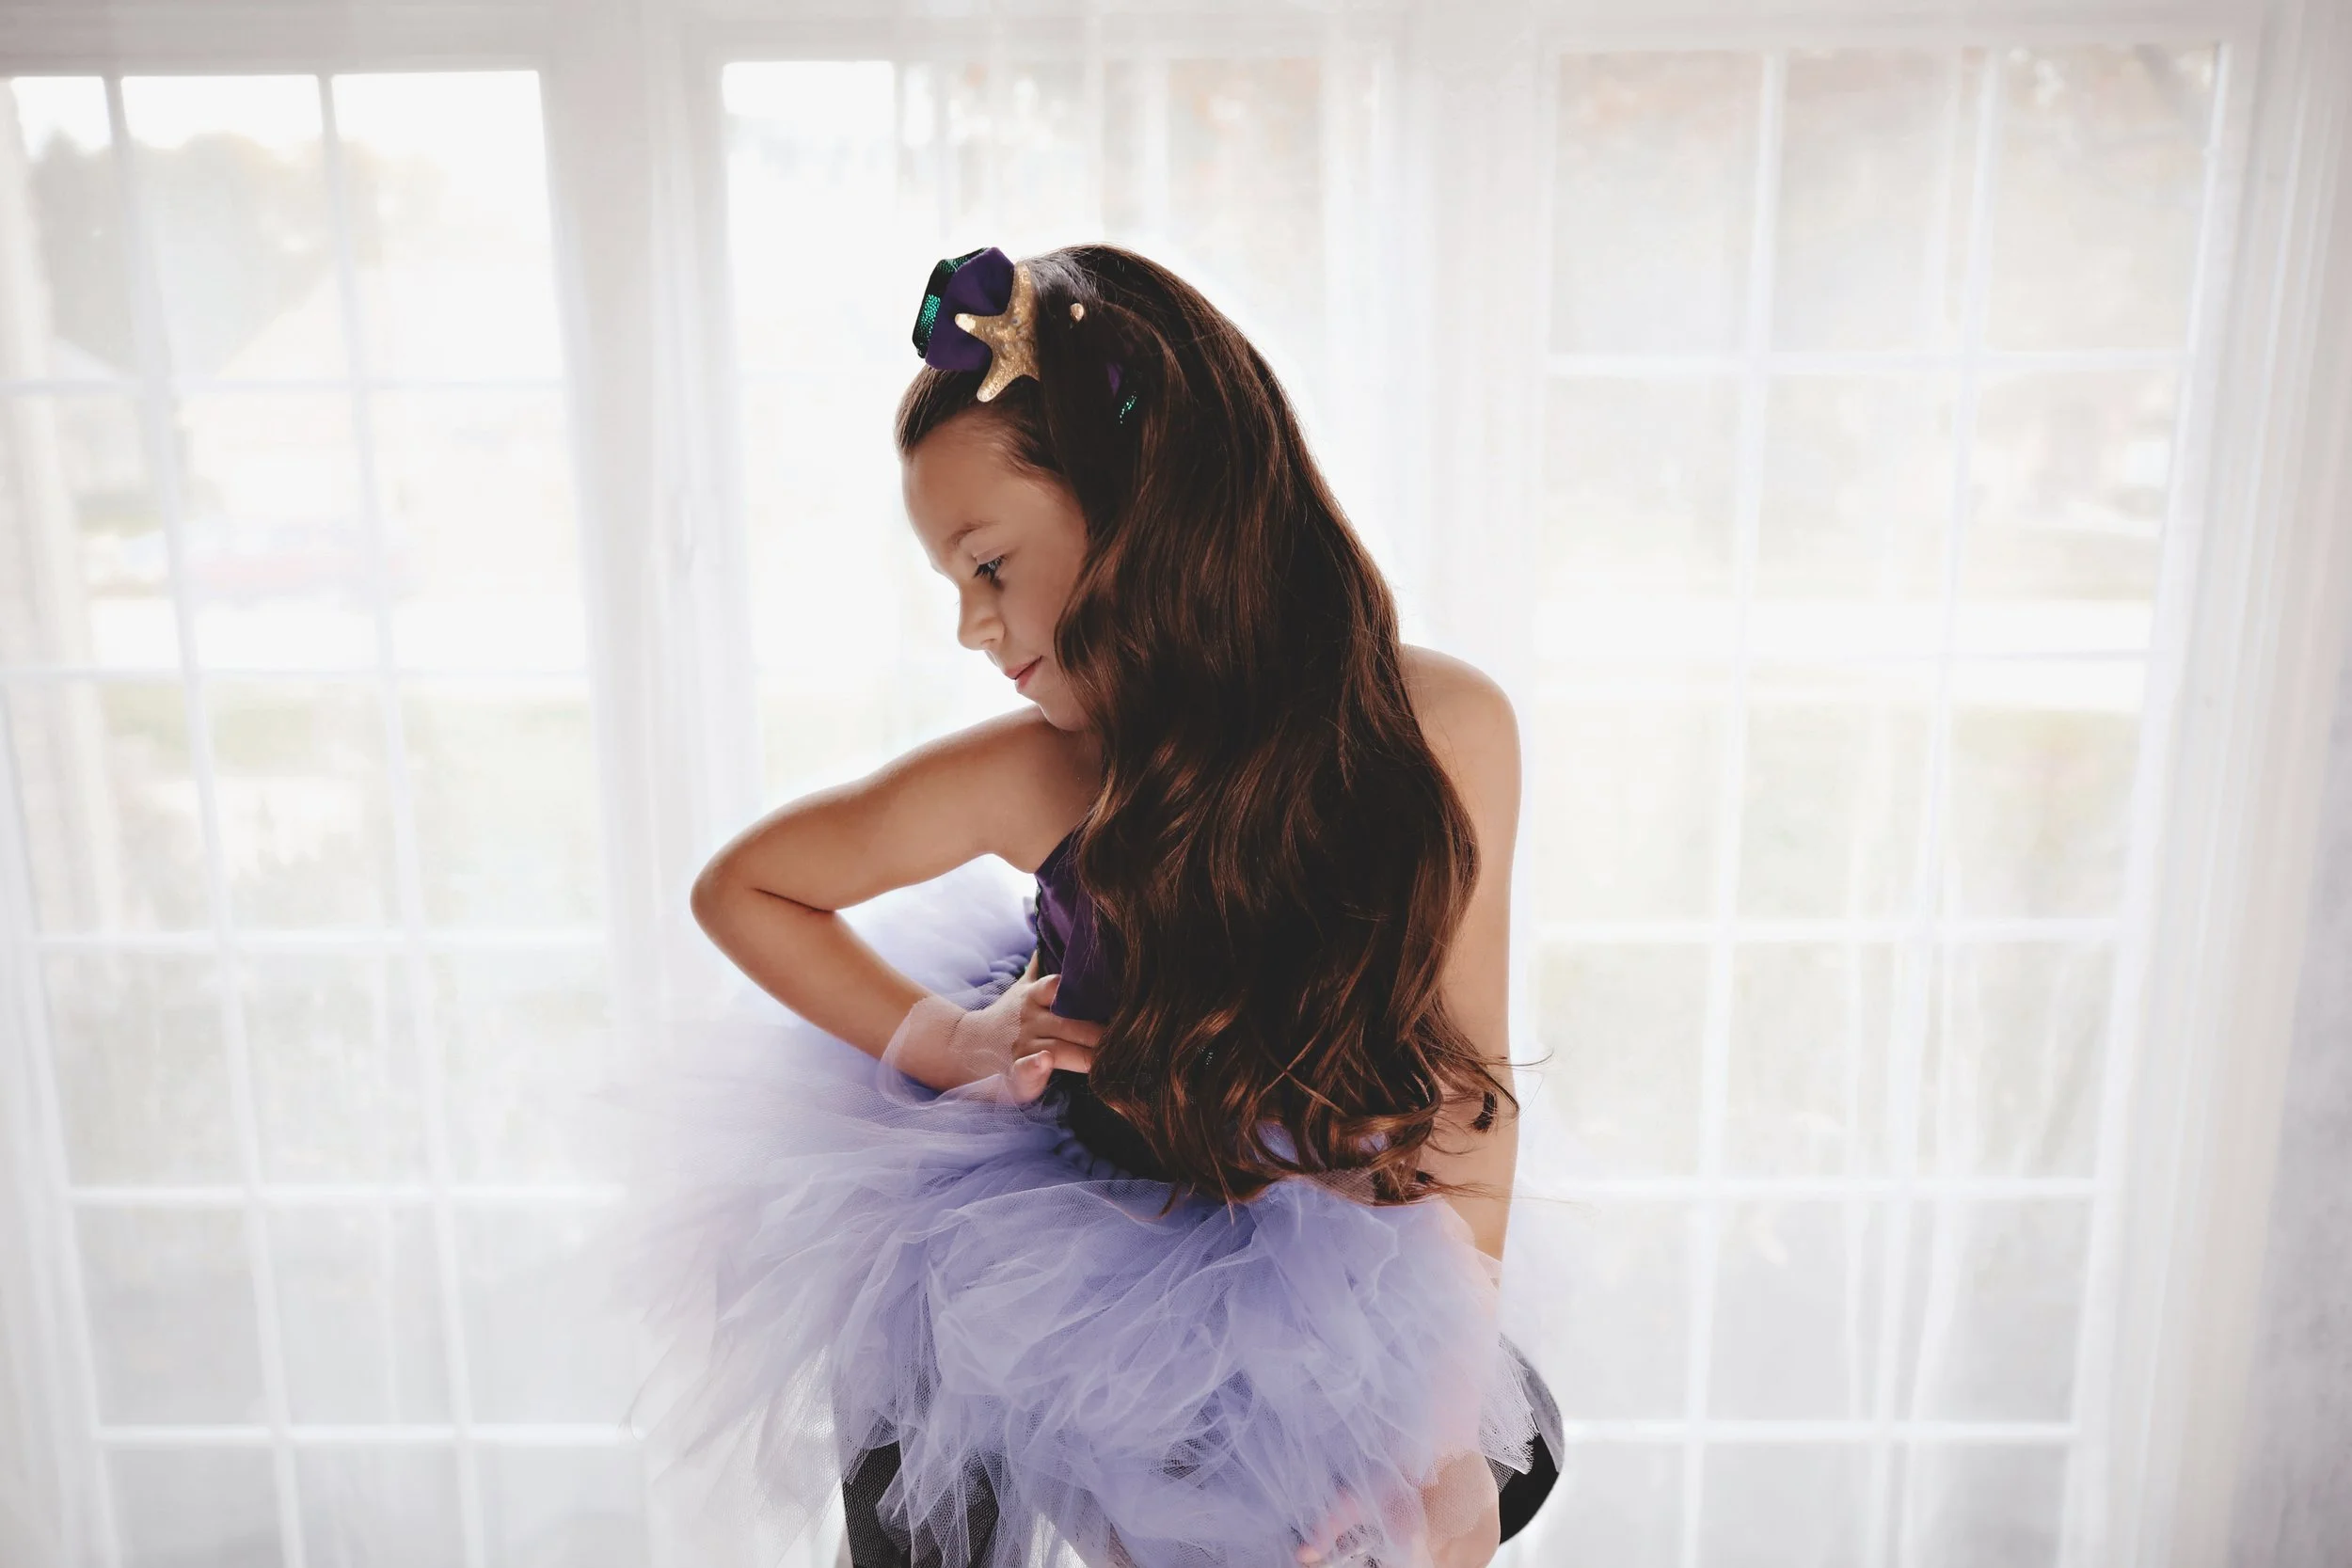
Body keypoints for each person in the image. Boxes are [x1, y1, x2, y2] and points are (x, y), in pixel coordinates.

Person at [610, 244, 1565, 1568]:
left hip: (1293, 1223)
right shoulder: (1040, 770)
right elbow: (748, 886)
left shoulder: (1443, 730)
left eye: (990, 567)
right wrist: (947, 1037)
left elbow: (1466, 1090)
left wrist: (1445, 1417)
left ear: (1147, 513)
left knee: (1497, 1458)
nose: (970, 628)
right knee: (935, 1462)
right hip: (1061, 1211)